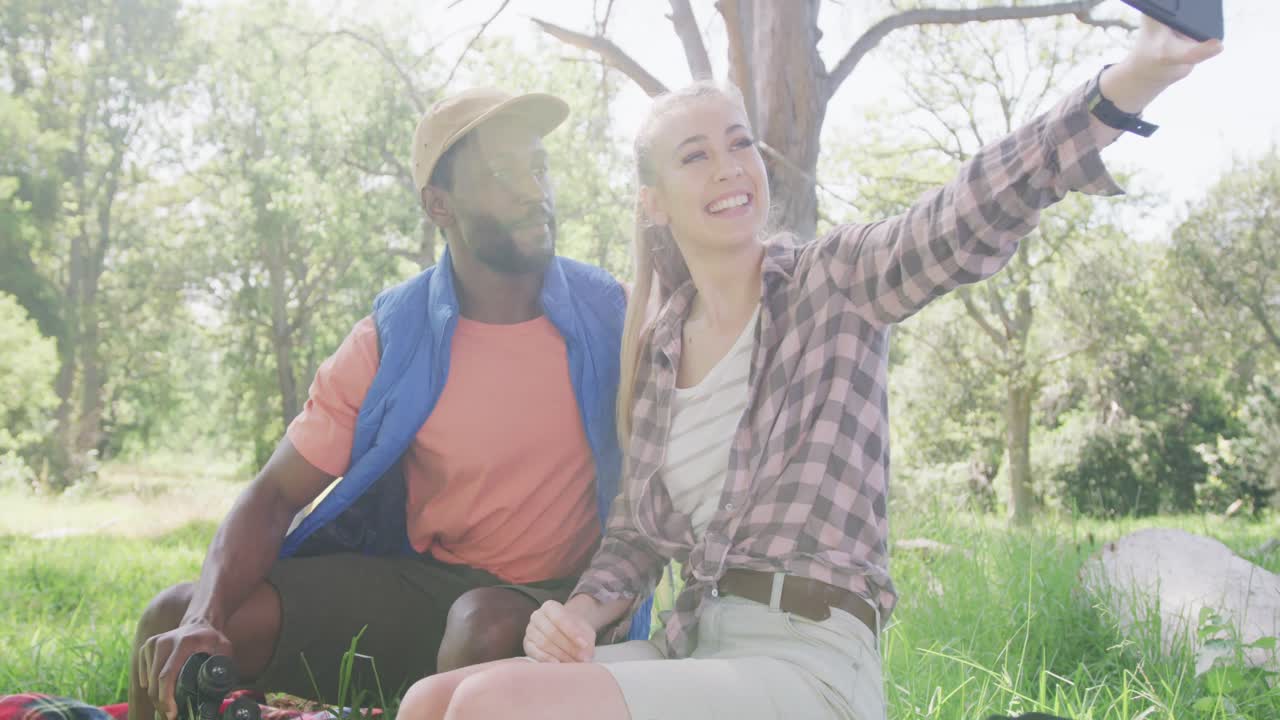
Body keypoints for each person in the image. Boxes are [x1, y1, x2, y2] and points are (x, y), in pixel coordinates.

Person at [394, 15, 1223, 720]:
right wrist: (574, 615)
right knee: (432, 699)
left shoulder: (836, 284)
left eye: (738, 143)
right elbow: (639, 538)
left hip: (811, 667)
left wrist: (1127, 82)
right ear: (654, 199)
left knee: (489, 706)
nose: (728, 168)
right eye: (694, 156)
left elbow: (966, 213)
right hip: (698, 645)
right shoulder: (659, 349)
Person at [127, 87, 651, 720]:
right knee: (170, 617)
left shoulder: (615, 315)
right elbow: (273, 495)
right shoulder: (392, 337)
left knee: (480, 623)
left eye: (537, 167)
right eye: (500, 173)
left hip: (554, 603)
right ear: (439, 205)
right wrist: (204, 619)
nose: (532, 190)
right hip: (418, 587)